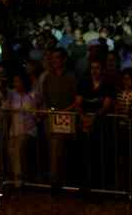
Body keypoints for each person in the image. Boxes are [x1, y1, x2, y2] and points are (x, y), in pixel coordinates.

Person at [75, 59, 115, 193]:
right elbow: (78, 103)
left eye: (97, 68)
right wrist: (83, 117)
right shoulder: (83, 83)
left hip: (100, 125)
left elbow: (106, 105)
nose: (94, 71)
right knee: (84, 154)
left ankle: (98, 187)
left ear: (102, 69)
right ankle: (84, 185)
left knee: (98, 155)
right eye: (92, 68)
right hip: (84, 123)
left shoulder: (108, 85)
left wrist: (93, 118)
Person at [42, 48, 77, 194]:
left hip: (67, 116)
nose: (54, 60)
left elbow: (77, 99)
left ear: (64, 59)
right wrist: (50, 110)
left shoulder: (71, 77)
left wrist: (65, 111)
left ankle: (58, 179)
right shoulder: (48, 78)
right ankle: (56, 179)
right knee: (53, 147)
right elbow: (45, 98)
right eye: (53, 58)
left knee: (61, 147)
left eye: (57, 57)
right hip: (52, 116)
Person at [0, 71, 38, 188]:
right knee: (11, 150)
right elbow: (5, 107)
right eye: (15, 81)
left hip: (28, 130)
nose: (16, 84)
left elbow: (35, 112)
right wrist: (3, 95)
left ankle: (19, 179)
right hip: (14, 130)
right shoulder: (12, 94)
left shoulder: (32, 95)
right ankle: (18, 177)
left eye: (18, 81)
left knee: (18, 149)